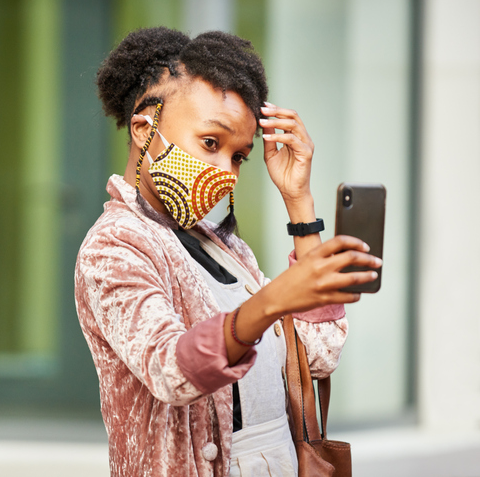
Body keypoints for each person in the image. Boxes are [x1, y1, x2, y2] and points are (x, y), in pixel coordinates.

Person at [74, 27, 382, 477]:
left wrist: (299, 201)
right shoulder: (114, 245)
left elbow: (319, 354)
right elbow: (170, 370)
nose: (226, 171)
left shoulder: (227, 248)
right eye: (211, 143)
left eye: (239, 156)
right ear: (144, 129)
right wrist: (273, 301)